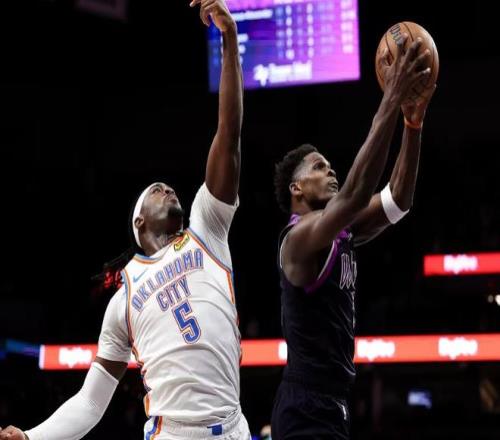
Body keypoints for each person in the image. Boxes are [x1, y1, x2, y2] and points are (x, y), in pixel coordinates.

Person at [0, 1, 249, 439]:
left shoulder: (207, 229)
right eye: (155, 190)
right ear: (139, 224)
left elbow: (228, 134)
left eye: (168, 187)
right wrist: (32, 437)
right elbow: (90, 402)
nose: (167, 189)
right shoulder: (124, 300)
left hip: (233, 427)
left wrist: (229, 40)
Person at [270, 36, 436, 439]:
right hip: (305, 406)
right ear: (296, 188)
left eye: (330, 166)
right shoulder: (297, 240)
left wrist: (412, 124)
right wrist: (392, 96)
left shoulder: (341, 229)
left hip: (335, 402)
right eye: (318, 166)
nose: (331, 171)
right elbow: (356, 195)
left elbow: (398, 201)